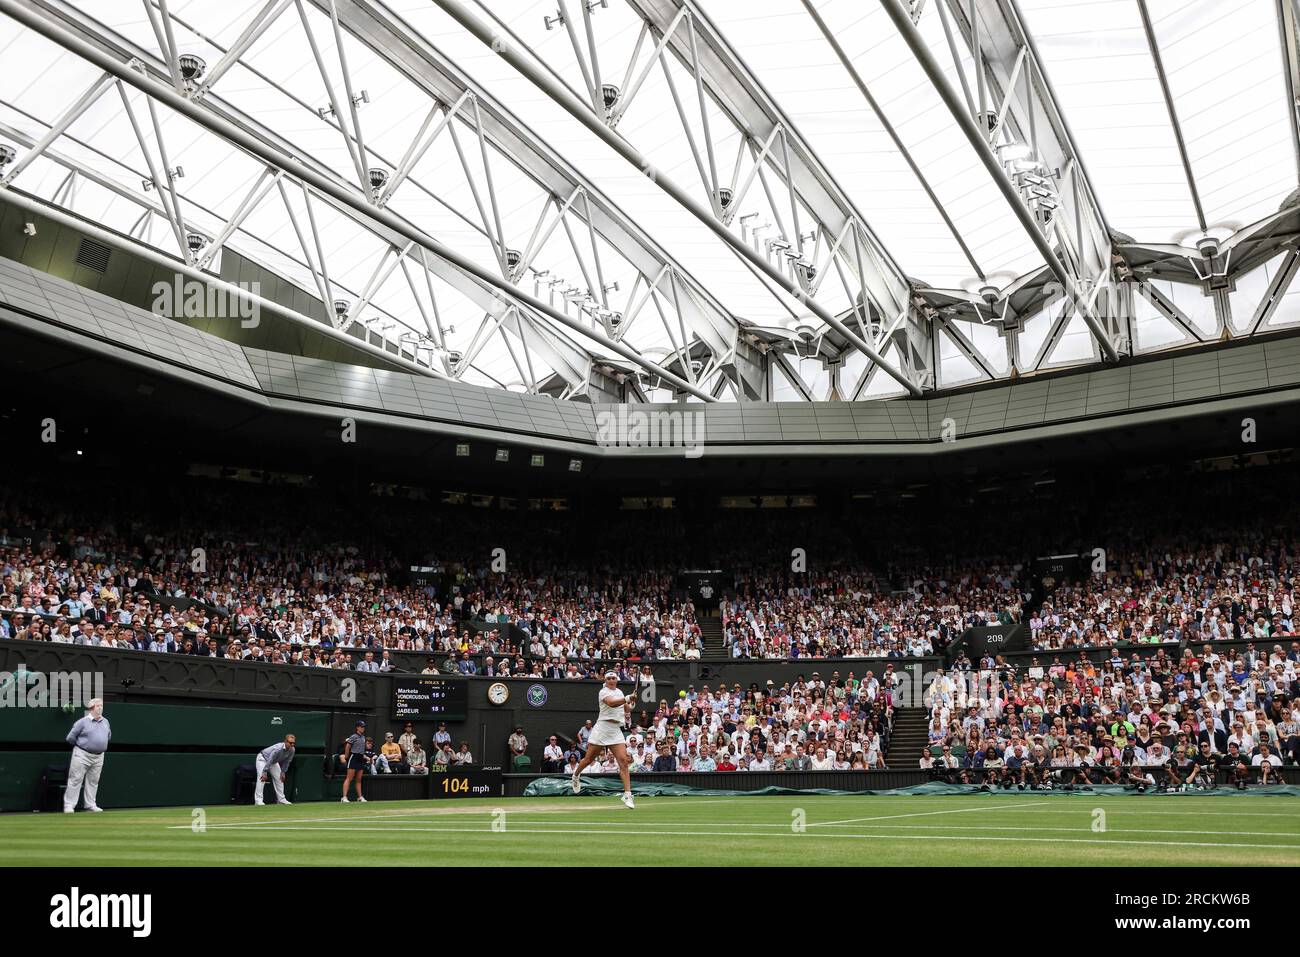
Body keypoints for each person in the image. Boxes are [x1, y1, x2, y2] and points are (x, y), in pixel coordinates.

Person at [571, 671, 637, 809]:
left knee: (624, 761)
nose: (612, 680)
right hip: (602, 728)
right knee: (588, 760)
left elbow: (626, 709)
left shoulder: (619, 692)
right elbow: (612, 703)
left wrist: (632, 703)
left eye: (614, 678)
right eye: (609, 678)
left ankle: (627, 794)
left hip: (615, 730)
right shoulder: (603, 692)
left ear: (616, 680)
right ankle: (576, 775)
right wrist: (627, 697)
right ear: (606, 681)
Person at [63, 697, 110, 813]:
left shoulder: (106, 722)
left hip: (99, 756)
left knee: (94, 781)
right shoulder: (82, 722)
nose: (100, 708)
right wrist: (83, 746)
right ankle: (69, 805)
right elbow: (70, 738)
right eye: (98, 706)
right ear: (91, 708)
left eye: (101, 705)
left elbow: (108, 737)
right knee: (75, 779)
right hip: (82, 754)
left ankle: (90, 805)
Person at [253, 734, 296, 806]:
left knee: (280, 779)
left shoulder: (292, 750)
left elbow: (287, 761)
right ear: (285, 741)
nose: (292, 744)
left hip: (273, 762)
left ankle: (281, 800)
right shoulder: (278, 748)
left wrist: (283, 772)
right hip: (263, 759)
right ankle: (258, 801)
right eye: (290, 743)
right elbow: (270, 759)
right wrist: (264, 772)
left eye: (293, 743)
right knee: (262, 778)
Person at [340, 720, 369, 802]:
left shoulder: (363, 737)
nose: (363, 728)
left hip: (360, 758)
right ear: (357, 727)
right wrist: (346, 756)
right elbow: (348, 747)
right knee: (349, 778)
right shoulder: (353, 736)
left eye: (364, 727)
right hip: (353, 757)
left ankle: (360, 797)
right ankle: (344, 797)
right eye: (361, 727)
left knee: (359, 779)